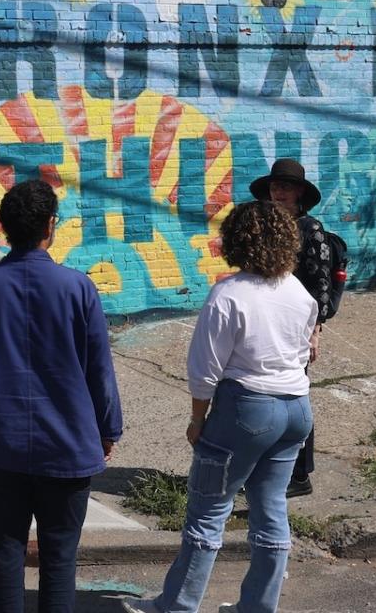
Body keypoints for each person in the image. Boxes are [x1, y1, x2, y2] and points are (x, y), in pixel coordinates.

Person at [123, 201, 317, 613]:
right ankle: (259, 607)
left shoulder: (229, 294)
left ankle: (178, 605)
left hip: (246, 409)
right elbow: (304, 352)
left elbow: (204, 370)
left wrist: (198, 419)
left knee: (209, 510)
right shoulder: (298, 291)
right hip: (296, 409)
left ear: (237, 241)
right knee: (271, 507)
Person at [0, 178, 123, 613]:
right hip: (68, 445)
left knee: (6, 554)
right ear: (50, 225)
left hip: (1, 445)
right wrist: (108, 429)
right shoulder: (78, 288)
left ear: (5, 227)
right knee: (60, 561)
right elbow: (99, 369)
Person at [249, 159, 348, 498]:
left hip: (296, 326)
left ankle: (299, 475)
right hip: (266, 322)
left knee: (293, 398)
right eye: (275, 186)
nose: (279, 192)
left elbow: (320, 285)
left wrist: (315, 330)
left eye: (286, 187)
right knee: (267, 395)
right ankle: (272, 467)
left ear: (300, 192)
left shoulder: (311, 230)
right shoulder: (265, 225)